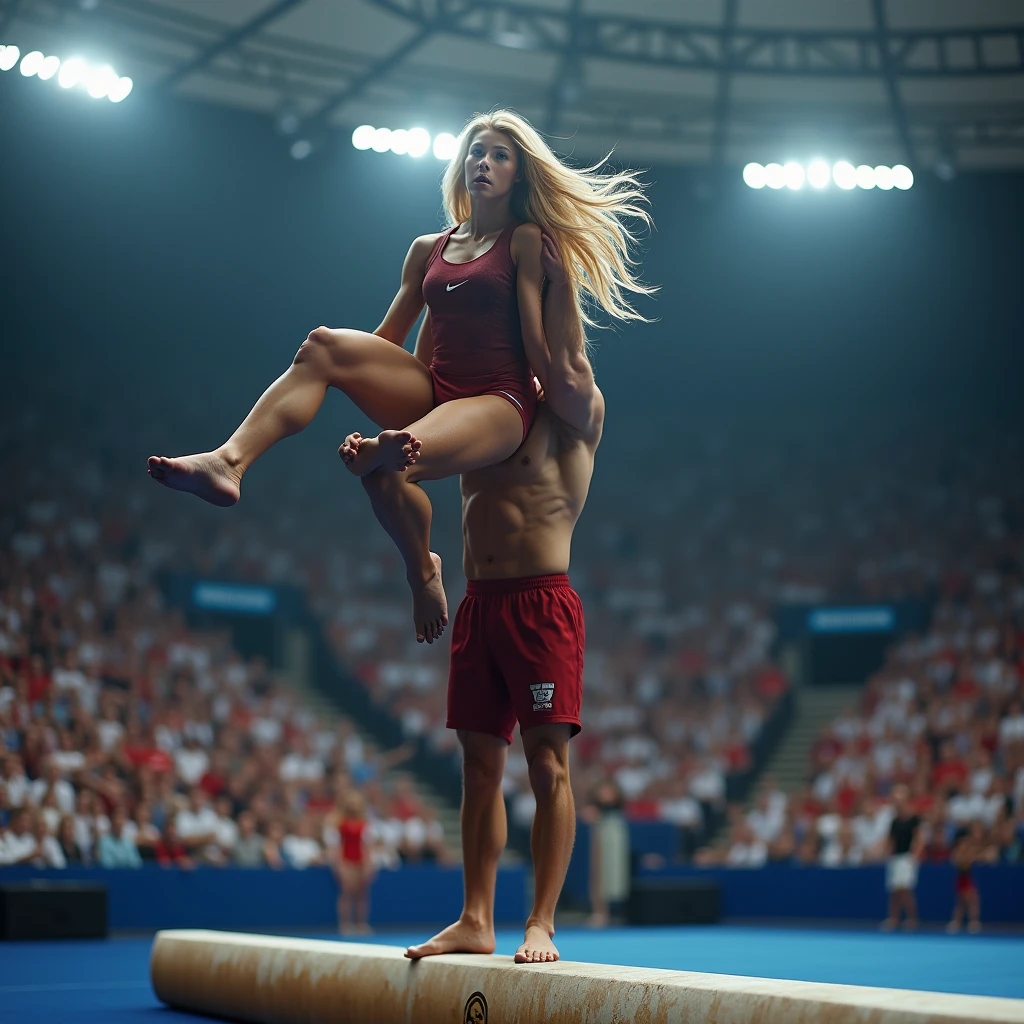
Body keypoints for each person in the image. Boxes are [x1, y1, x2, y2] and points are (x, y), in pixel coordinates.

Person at [151, 109, 651, 644]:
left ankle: (423, 573)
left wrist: (557, 363)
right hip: (436, 388)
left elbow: (534, 341)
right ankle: (229, 462)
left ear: (518, 176)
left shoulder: (525, 240)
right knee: (323, 346)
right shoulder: (427, 249)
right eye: (477, 152)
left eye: (499, 156)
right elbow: (388, 338)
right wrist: (354, 374)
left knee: (391, 463)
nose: (483, 162)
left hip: (499, 400)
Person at [400, 229, 606, 965]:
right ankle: (475, 918)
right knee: (477, 768)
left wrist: (543, 278)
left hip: (539, 602)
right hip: (478, 605)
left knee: (546, 765)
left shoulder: (576, 410)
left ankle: (542, 922)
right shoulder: (486, 411)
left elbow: (561, 356)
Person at [334, 790, 376, 935]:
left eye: (356, 804)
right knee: (346, 893)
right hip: (347, 862)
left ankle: (361, 924)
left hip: (360, 862)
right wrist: (340, 865)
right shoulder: (341, 824)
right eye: (351, 804)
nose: (353, 807)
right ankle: (345, 924)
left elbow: (367, 847)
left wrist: (368, 865)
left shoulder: (364, 825)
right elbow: (338, 846)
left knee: (362, 894)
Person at [882, 784, 923, 931]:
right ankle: (894, 919)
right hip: (895, 858)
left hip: (907, 858)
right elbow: (891, 841)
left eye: (900, 799)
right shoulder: (894, 821)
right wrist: (887, 854)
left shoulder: (914, 819)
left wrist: (915, 856)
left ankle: (912, 919)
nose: (897, 802)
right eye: (895, 799)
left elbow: (919, 838)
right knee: (894, 891)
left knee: (905, 890)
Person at [947, 823, 985, 934]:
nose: (965, 844)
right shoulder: (958, 854)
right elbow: (962, 864)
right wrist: (968, 857)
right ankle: (962, 922)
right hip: (962, 880)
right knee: (965, 902)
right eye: (963, 842)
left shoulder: (968, 851)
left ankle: (969, 922)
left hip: (967, 879)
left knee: (970, 901)